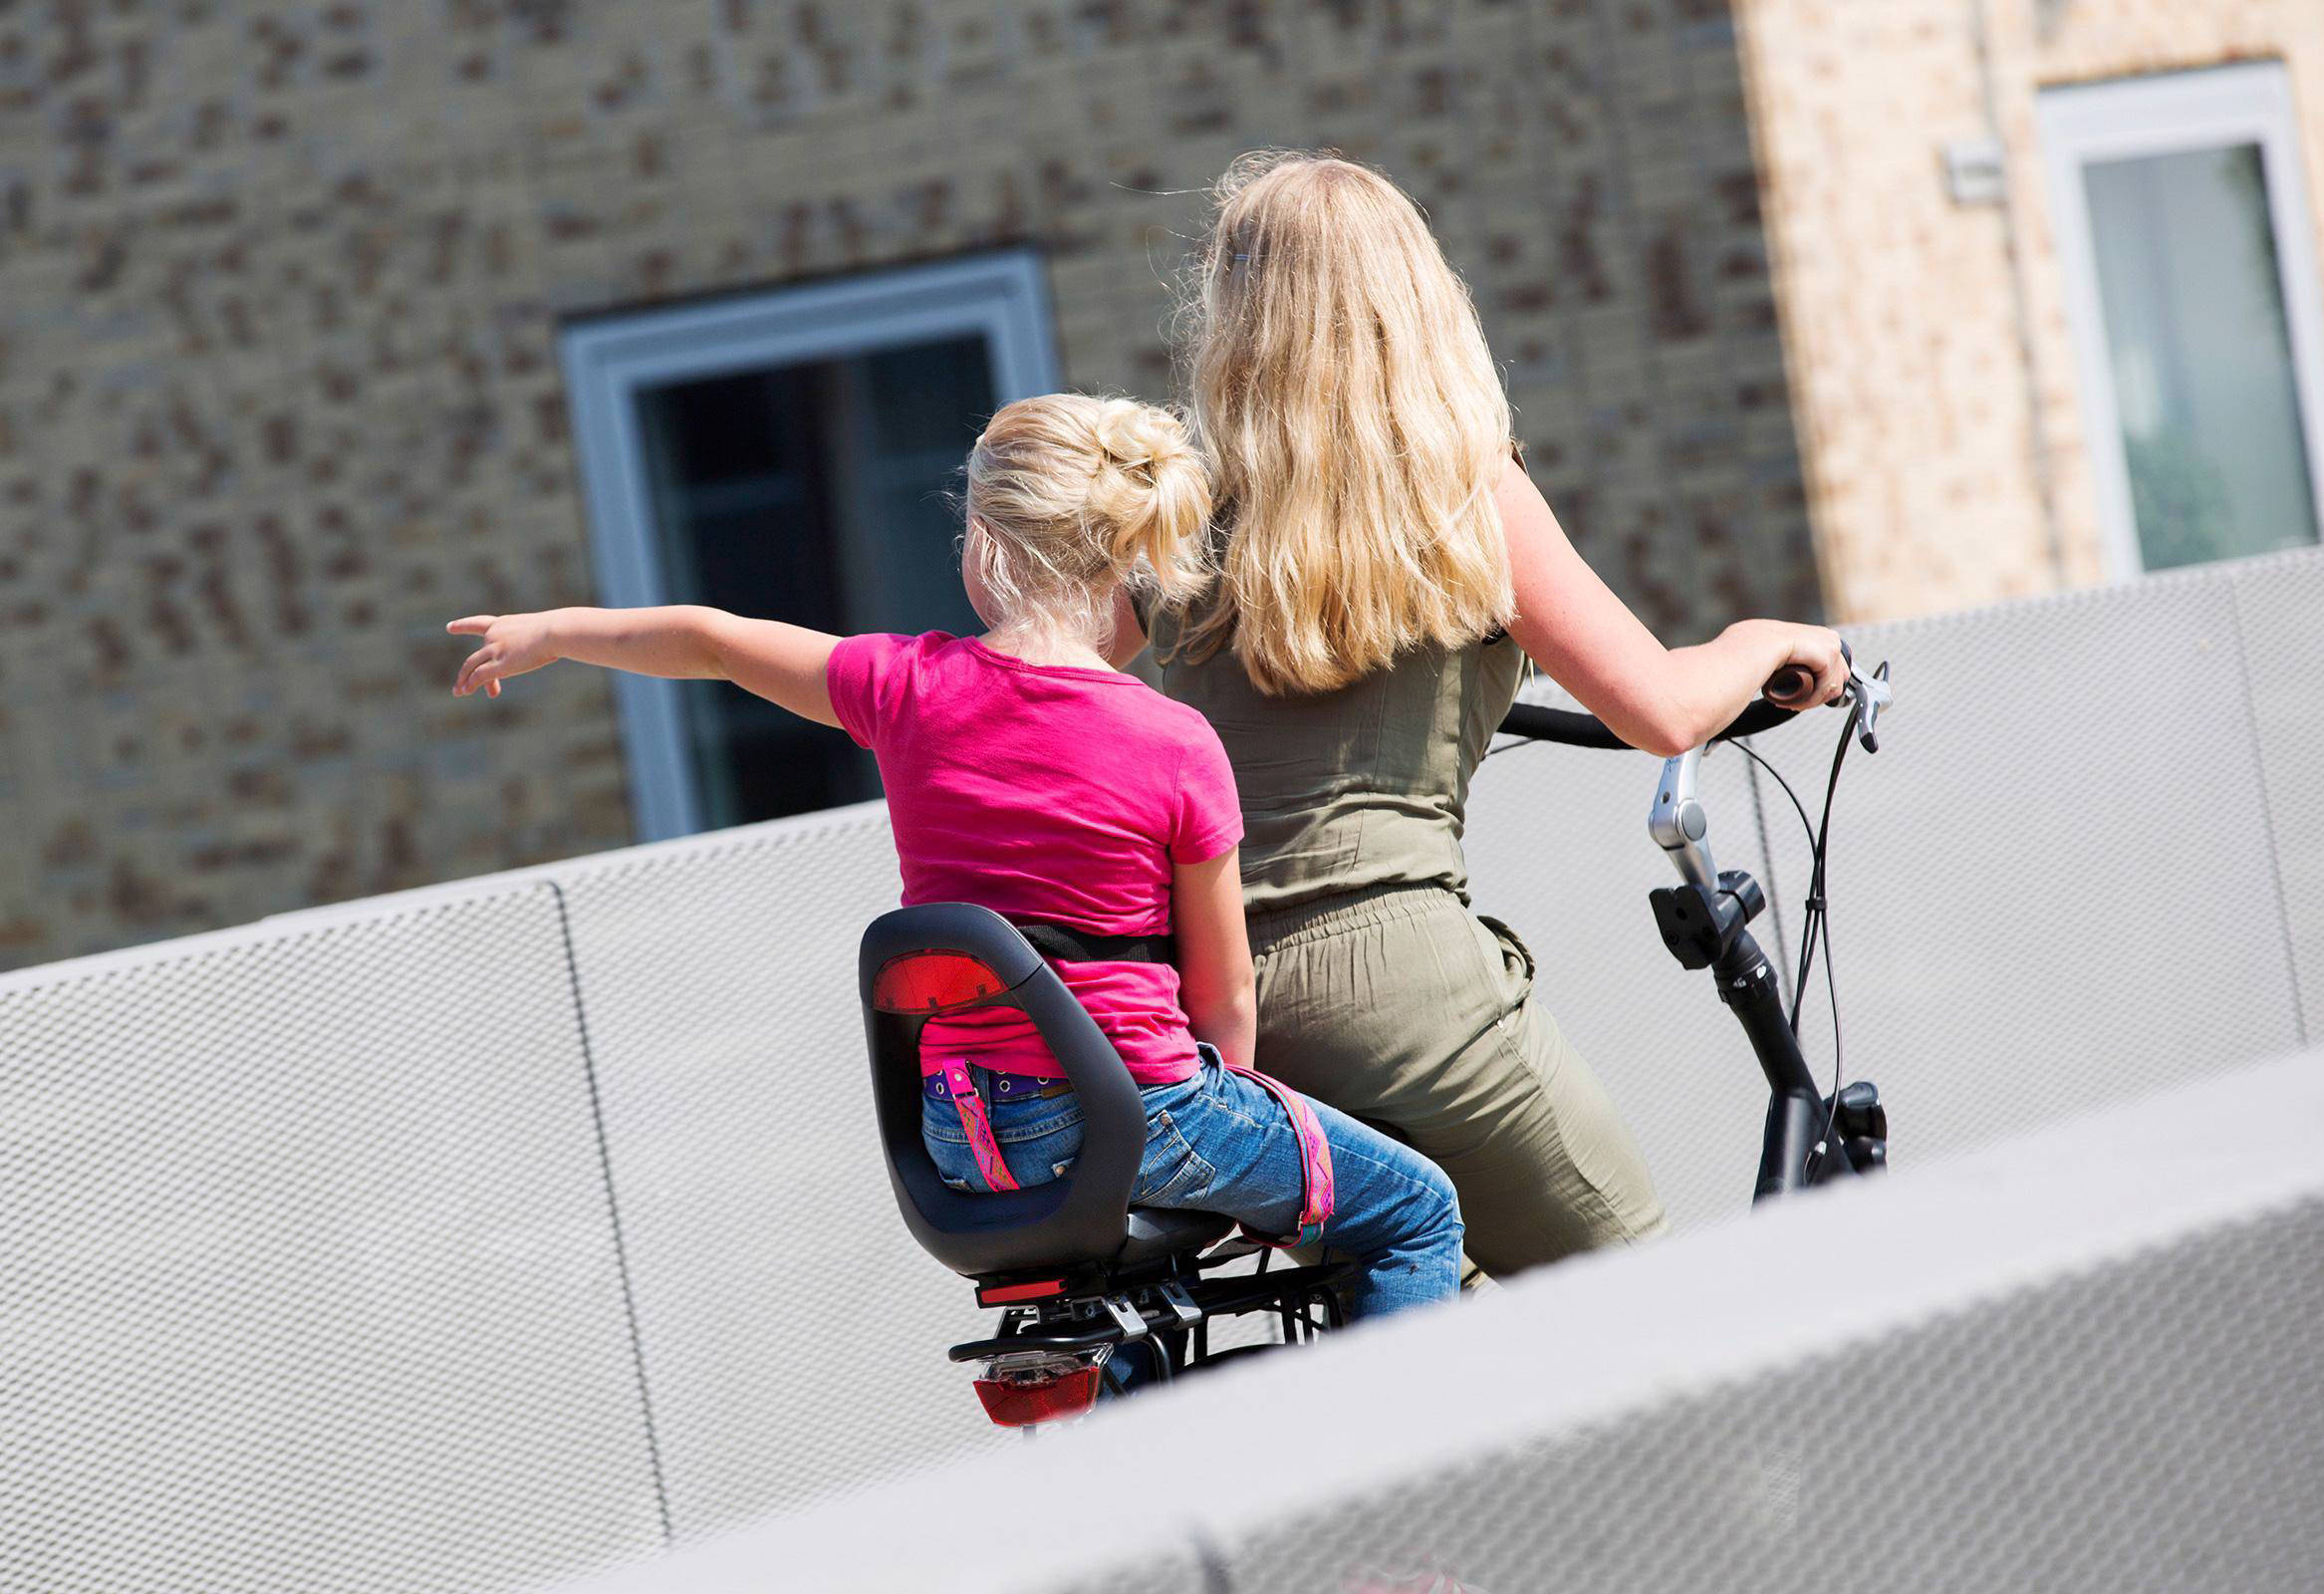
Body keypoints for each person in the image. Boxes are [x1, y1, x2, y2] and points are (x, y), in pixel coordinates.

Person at [446, 393, 1463, 1322]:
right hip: (1141, 1116)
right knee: (1417, 1211)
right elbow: (1224, 990)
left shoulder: (905, 690)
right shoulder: (1176, 742)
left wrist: (557, 631)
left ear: (984, 544)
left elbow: (714, 640)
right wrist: (1234, 1127)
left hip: (961, 1138)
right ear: (1130, 563)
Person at [1114, 151, 1851, 1278]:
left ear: (1235, 318)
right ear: (1418, 298)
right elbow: (1663, 710)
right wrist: (1763, 642)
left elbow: (1062, 674)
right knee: (1645, 1292)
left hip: (1227, 1015)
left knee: (1429, 1303)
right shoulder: (1464, 492)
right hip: (1408, 994)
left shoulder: (1184, 519)